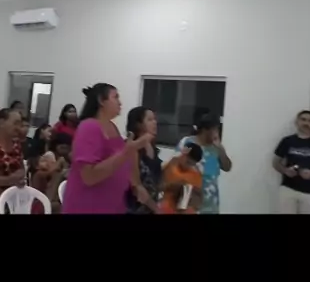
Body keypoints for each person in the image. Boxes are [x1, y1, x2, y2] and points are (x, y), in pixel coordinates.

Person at [62, 84, 154, 214]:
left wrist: (136, 185)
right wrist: (128, 151)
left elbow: (123, 162)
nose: (120, 102)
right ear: (101, 100)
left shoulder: (112, 127)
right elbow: (89, 176)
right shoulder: (89, 127)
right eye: (115, 97)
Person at [177, 113, 232, 215]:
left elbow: (227, 167)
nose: (217, 133)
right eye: (215, 129)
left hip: (211, 205)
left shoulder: (215, 148)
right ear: (205, 130)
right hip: (190, 202)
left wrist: (221, 149)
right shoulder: (187, 142)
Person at [273, 110, 310, 214]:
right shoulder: (287, 141)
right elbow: (275, 163)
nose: (306, 123)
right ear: (297, 122)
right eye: (303, 119)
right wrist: (285, 170)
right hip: (288, 189)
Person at [125, 106, 162, 214]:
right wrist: (157, 209)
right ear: (138, 124)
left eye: (155, 119)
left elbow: (155, 179)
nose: (155, 123)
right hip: (131, 207)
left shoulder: (154, 149)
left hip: (150, 207)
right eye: (150, 120)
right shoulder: (130, 147)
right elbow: (136, 187)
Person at [160, 142, 204, 214]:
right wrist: (173, 186)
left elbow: (199, 200)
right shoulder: (170, 165)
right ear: (183, 154)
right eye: (188, 162)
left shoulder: (195, 175)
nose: (188, 166)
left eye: (192, 164)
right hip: (166, 208)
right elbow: (159, 186)